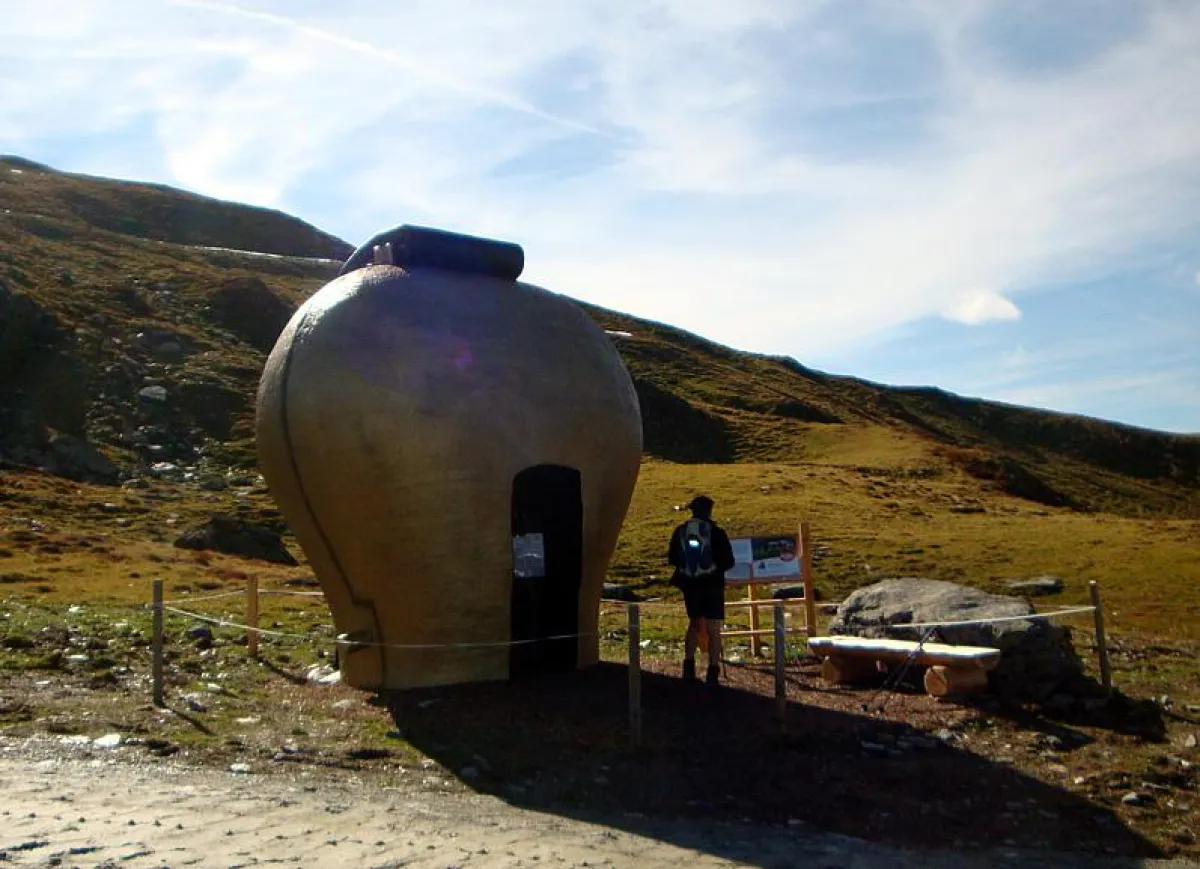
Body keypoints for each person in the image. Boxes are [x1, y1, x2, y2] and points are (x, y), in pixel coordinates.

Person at [667, 495, 735, 687]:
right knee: (714, 629)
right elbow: (729, 562)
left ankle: (688, 666)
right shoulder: (716, 532)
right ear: (709, 510)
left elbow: (672, 558)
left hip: (690, 585)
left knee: (694, 624)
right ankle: (712, 672)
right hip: (712, 585)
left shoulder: (680, 531)